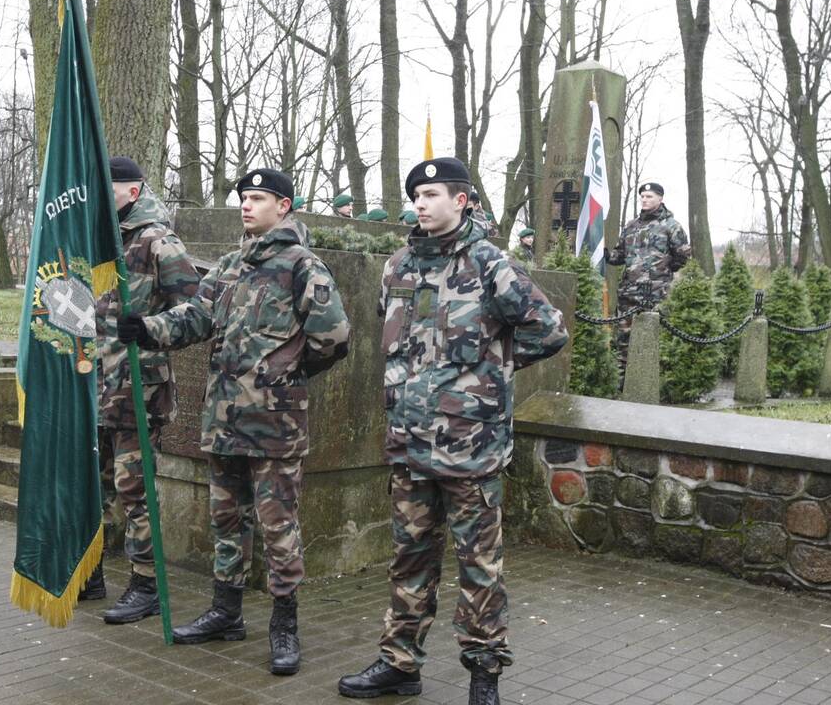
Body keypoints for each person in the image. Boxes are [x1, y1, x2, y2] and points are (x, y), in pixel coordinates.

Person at [337, 157, 568, 705]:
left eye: (433, 193)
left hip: (472, 450)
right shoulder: (397, 267)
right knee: (409, 557)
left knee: (479, 566)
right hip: (410, 445)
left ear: (461, 200)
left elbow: (549, 330)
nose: (421, 201)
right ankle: (399, 663)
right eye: (416, 192)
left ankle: (484, 674)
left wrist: (492, 372)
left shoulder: (491, 265)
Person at [116, 168, 351, 676]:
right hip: (223, 420)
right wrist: (147, 328)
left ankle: (284, 626)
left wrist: (285, 372)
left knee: (277, 527)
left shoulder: (301, 266)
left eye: (259, 198)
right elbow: (195, 319)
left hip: (273, 426)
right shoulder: (228, 266)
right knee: (226, 521)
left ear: (284, 206)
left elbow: (333, 336)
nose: (246, 205)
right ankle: (226, 612)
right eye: (243, 197)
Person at [80, 157, 201, 624]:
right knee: (94, 482)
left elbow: (194, 311)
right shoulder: (94, 240)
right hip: (92, 381)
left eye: (107, 188)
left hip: (137, 388)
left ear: (132, 192)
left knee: (134, 488)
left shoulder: (157, 241)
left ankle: (146, 582)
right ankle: (89, 569)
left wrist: (149, 326)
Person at [604, 182, 691, 377]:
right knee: (623, 338)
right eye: (642, 196)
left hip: (657, 293)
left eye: (649, 196)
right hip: (629, 292)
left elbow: (683, 257)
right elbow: (620, 256)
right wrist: (607, 255)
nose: (644, 199)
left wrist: (662, 272)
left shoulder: (672, 226)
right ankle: (622, 380)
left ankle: (652, 379)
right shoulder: (631, 226)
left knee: (656, 335)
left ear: (660, 199)